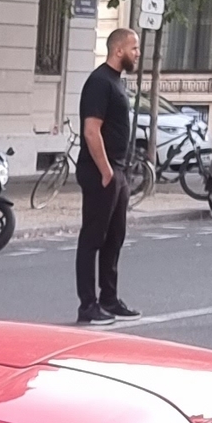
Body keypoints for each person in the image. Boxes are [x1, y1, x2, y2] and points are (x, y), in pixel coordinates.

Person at [76, 26, 140, 326]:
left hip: (118, 170)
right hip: (101, 172)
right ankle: (88, 305)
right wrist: (106, 172)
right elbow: (92, 130)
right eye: (134, 49)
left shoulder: (117, 82)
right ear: (118, 51)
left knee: (115, 237)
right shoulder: (99, 82)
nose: (137, 54)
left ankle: (109, 299)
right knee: (93, 238)